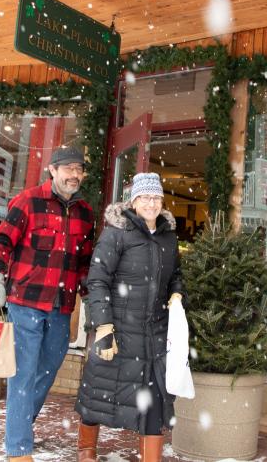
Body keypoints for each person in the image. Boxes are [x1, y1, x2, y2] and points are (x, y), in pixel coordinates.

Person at [0, 147, 95, 462]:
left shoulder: (86, 213)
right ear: (53, 170)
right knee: (23, 372)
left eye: (79, 169)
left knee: (47, 370)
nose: (74, 174)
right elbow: (1, 240)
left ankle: (19, 426)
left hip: (61, 307)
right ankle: (18, 448)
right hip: (26, 301)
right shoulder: (29, 201)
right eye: (68, 168)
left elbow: (84, 262)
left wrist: (92, 296)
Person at [74, 172, 183, 462]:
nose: (151, 203)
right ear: (134, 200)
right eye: (146, 197)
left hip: (154, 332)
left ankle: (151, 457)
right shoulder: (116, 233)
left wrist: (177, 292)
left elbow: (176, 275)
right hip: (118, 328)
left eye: (157, 197)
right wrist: (104, 326)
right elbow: (97, 280)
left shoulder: (168, 237)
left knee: (154, 399)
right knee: (98, 392)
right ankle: (87, 450)